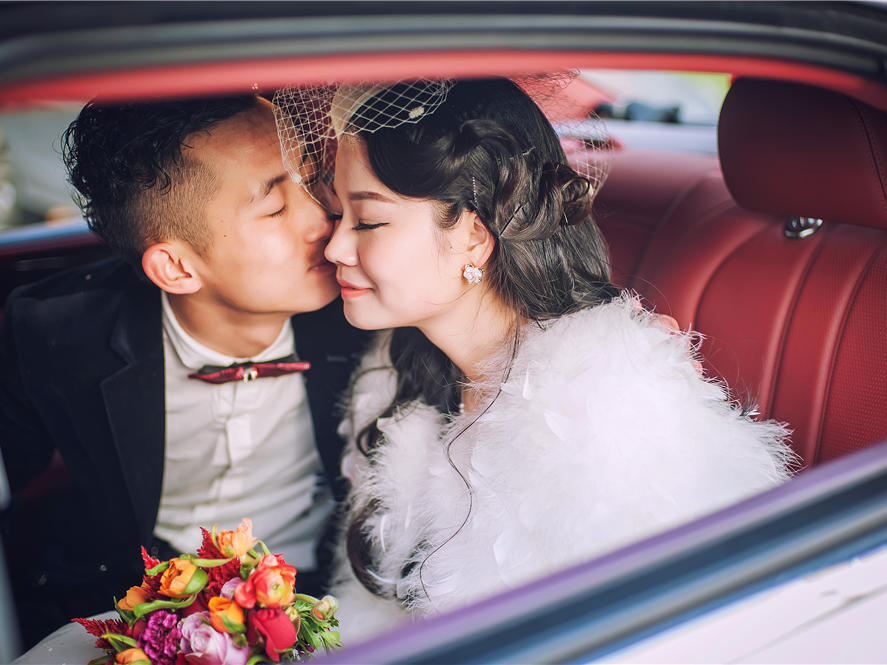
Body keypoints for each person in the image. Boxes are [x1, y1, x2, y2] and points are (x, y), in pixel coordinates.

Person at [300, 77, 797, 641]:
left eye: (367, 221)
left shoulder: (609, 406)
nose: (335, 246)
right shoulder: (400, 372)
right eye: (337, 215)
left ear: (472, 235)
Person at [0, 94, 368, 648]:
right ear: (175, 267)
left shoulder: (372, 301)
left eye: (312, 179)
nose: (325, 219)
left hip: (331, 594)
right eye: (274, 207)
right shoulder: (58, 334)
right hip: (131, 605)